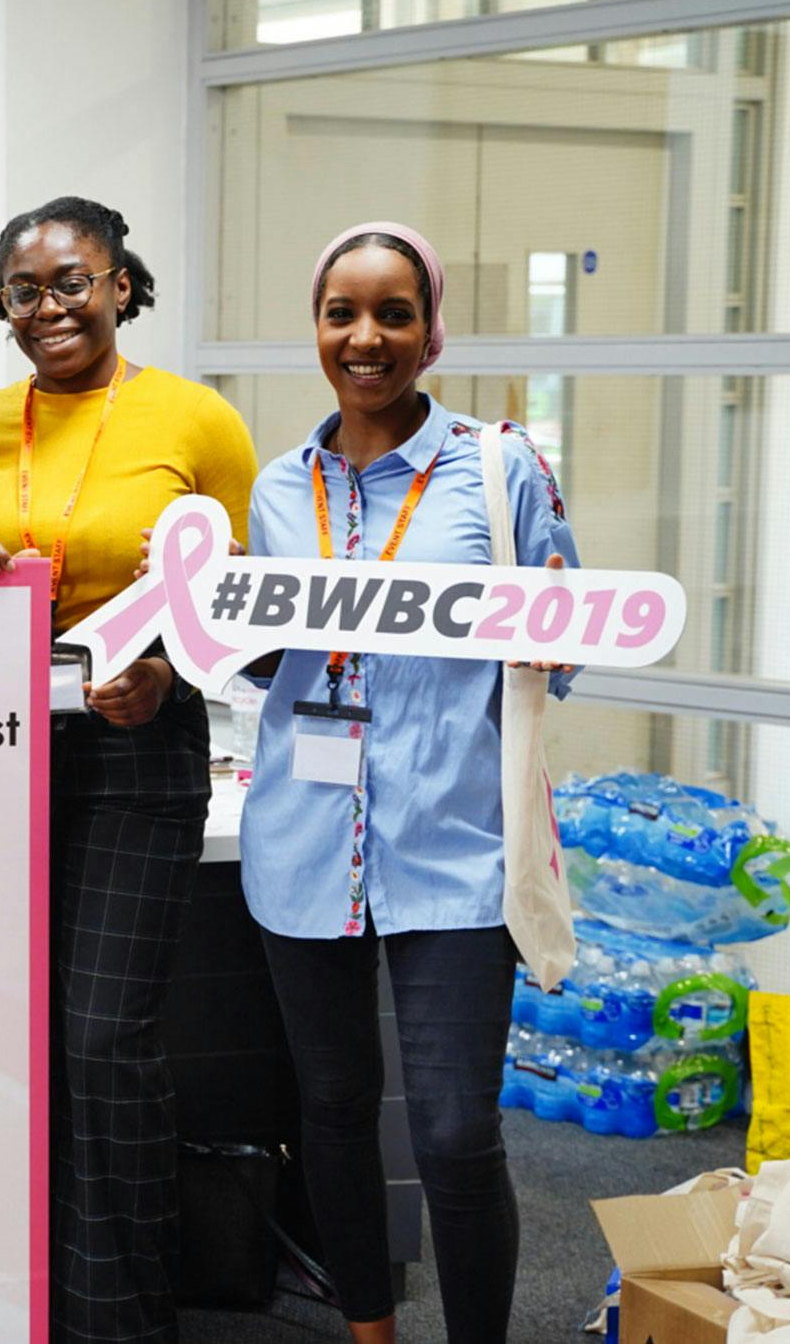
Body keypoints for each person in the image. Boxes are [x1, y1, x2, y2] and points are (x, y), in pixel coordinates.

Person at [242, 222, 577, 1344]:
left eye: (394, 314)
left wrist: (541, 644)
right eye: (343, 313)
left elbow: (563, 640)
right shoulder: (279, 488)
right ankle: (369, 1333)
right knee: (332, 1115)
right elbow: (268, 657)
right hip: (303, 836)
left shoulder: (501, 465)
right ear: (319, 329)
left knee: (450, 1132)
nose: (366, 337)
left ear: (433, 333)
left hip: (454, 841)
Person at [0, 197, 256, 1342]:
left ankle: (117, 1315)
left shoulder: (197, 421)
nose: (49, 307)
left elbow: (243, 610)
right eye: (24, 291)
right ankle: (8, 1301)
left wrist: (167, 669)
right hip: (1, 752)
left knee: (102, 1041)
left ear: (122, 284)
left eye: (72, 281)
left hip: (138, 742)